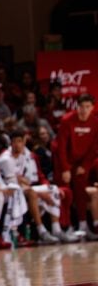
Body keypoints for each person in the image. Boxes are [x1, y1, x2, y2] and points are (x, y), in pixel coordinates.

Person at [55, 93, 98, 237]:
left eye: (87, 107)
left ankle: (84, 226)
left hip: (81, 162)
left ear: (92, 108)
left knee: (80, 193)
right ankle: (66, 227)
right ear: (77, 107)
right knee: (65, 193)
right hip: (63, 160)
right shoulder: (67, 120)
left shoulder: (95, 123)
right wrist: (65, 168)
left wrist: (85, 166)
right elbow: (61, 147)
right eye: (81, 106)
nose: (84, 110)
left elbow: (94, 149)